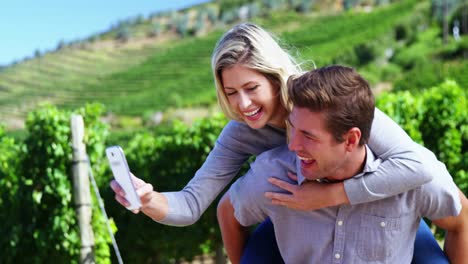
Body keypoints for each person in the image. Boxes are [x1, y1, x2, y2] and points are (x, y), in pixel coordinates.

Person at [110, 23, 444, 262]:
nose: (242, 104)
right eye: (230, 93)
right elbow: (191, 205)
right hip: (296, 219)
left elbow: (418, 166)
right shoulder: (239, 133)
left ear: (274, 77)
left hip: (377, 215)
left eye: (251, 88)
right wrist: (149, 199)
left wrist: (327, 195)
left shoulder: (324, 103)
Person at [226, 65, 468, 263]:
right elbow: (228, 213)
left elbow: (461, 218)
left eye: (308, 136)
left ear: (351, 139)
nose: (293, 145)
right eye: (293, 129)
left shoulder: (413, 179)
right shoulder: (275, 176)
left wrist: (333, 195)